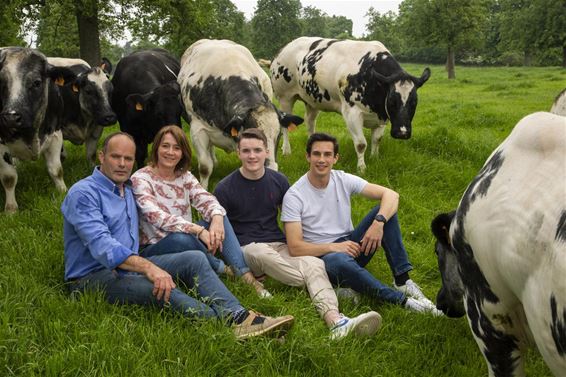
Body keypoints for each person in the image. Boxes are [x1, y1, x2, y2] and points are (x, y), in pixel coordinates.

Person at [62, 132, 294, 340]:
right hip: (95, 277)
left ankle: (240, 316)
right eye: (116, 157)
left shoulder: (126, 187)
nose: (122, 164)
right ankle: (236, 327)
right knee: (172, 294)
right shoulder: (84, 193)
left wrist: (213, 218)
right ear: (101, 156)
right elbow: (104, 246)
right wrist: (150, 269)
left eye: (128, 159)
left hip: (129, 265)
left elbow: (203, 200)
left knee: (194, 258)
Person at [214, 128, 381, 340]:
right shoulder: (224, 188)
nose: (252, 156)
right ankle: (322, 286)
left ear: (267, 151)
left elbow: (293, 219)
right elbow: (221, 232)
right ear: (238, 152)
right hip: (248, 248)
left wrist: (305, 247)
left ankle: (336, 321)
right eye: (246, 151)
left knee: (315, 264)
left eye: (257, 150)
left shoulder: (279, 180)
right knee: (262, 253)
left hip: (279, 244)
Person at [281, 132, 442, 315]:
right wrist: (334, 247)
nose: (321, 159)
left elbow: (391, 195)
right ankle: (402, 301)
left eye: (327, 154)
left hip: (351, 246)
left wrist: (378, 224)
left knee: (385, 212)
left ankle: (402, 281)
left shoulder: (341, 178)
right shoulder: (294, 195)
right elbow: (294, 247)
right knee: (340, 261)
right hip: (323, 258)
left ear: (335, 158)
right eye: (316, 154)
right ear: (308, 156)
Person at [130, 125, 271, 298]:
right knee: (181, 238)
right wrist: (198, 230)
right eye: (165, 146)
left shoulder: (184, 176)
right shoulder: (141, 178)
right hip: (154, 246)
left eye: (177, 147)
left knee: (218, 215)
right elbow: (156, 216)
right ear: (156, 148)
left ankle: (244, 273)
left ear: (183, 152)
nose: (170, 152)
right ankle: (224, 269)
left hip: (187, 236)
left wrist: (217, 218)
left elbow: (208, 200)